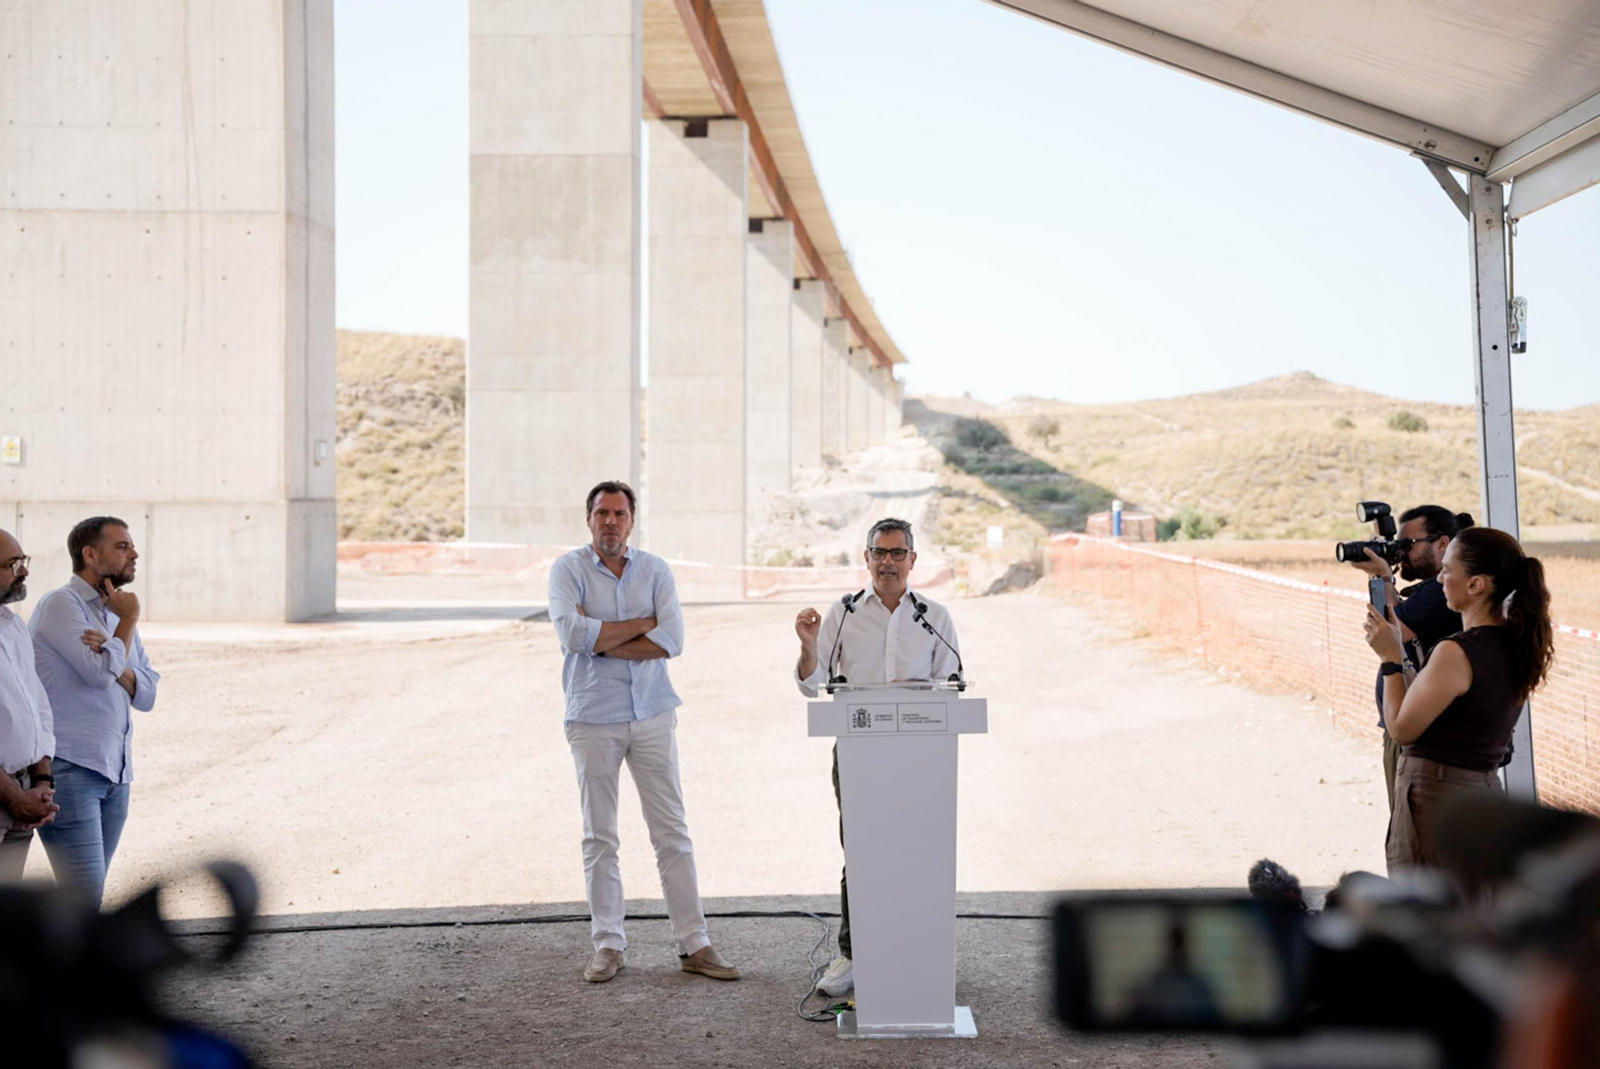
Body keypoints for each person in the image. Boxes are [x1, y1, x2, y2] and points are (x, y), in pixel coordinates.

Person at [548, 481, 739, 984]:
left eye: (619, 513)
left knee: (672, 832)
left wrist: (601, 638)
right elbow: (571, 634)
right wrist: (640, 624)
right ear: (588, 519)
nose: (610, 521)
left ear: (632, 520)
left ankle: (694, 944)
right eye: (602, 513)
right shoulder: (567, 570)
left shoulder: (656, 570)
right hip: (593, 715)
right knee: (600, 836)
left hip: (653, 713)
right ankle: (608, 945)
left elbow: (671, 640)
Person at [793, 517, 962, 997]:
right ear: (865, 558)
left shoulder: (935, 615)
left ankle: (917, 951)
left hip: (921, 756)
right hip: (858, 752)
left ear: (913, 559)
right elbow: (811, 684)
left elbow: (951, 686)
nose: (888, 562)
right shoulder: (844, 614)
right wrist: (809, 648)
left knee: (918, 851)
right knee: (863, 853)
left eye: (897, 552)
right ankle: (854, 953)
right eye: (879, 552)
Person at [1363, 526, 1553, 876]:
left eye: (1447, 571)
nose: (1439, 581)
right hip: (1480, 792)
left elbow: (1403, 728)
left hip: (1436, 798)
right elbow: (1431, 699)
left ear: (1476, 584)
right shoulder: (1512, 645)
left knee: (1425, 916)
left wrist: (1390, 660)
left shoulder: (1457, 651)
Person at [29, 517, 160, 907]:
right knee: (83, 902)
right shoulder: (60, 605)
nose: (134, 553)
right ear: (90, 554)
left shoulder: (116, 612)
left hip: (115, 773)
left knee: (87, 900)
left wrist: (113, 647)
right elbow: (100, 675)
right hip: (70, 770)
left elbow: (149, 692)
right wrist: (128, 627)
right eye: (122, 546)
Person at [1349, 505, 1472, 811]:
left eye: (1409, 545)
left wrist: (1382, 575)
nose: (1402, 553)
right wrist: (1383, 577)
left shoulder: (1441, 592)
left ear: (1442, 544)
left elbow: (1392, 629)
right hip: (1412, 724)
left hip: (1420, 731)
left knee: (1413, 832)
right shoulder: (1432, 590)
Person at [0, 530, 58, 881]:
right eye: (12, 564)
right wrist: (14, 797)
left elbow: (38, 710)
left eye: (23, 562)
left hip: (23, 795)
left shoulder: (12, 626)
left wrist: (42, 783)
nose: (24, 572)